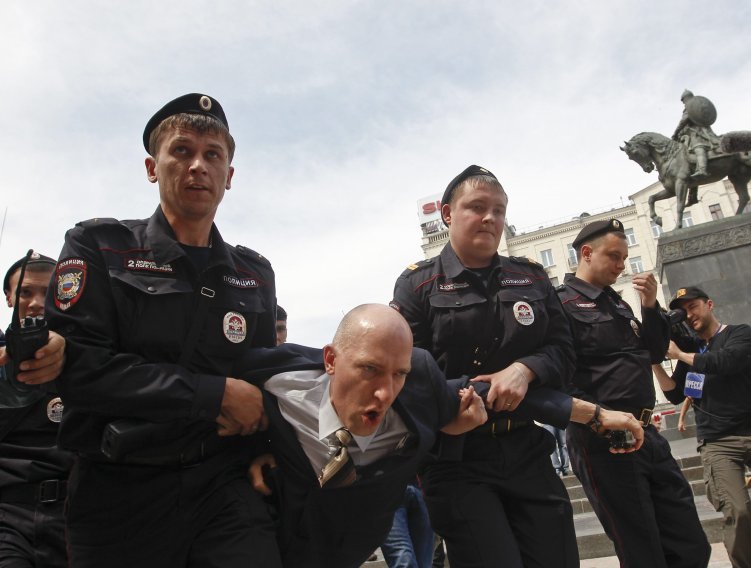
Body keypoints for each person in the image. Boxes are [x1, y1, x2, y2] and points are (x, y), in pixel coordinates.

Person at [45, 93, 280, 567]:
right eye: (182, 151)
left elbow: (260, 375)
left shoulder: (253, 273)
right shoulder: (98, 247)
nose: (198, 166)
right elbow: (82, 369)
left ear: (229, 177)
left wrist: (265, 449)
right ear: (153, 167)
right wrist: (211, 394)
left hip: (222, 487)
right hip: (119, 490)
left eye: (213, 155)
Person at [391, 165, 645, 568]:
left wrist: (525, 369)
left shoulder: (529, 276)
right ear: (446, 214)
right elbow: (411, 379)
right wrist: (493, 390)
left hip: (526, 448)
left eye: (499, 209)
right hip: (458, 457)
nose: (490, 218)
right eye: (477, 207)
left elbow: (563, 352)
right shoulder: (418, 285)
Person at [240, 304, 487, 567]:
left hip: (354, 546)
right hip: (269, 541)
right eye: (370, 369)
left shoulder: (421, 385)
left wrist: (521, 372)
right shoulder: (281, 377)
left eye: (399, 374)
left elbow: (477, 392)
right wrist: (249, 450)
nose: (386, 393)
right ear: (331, 361)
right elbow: (217, 394)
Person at [556, 219, 710, 568]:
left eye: (625, 258)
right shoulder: (559, 305)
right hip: (606, 440)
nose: (622, 265)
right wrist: (599, 421)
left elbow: (654, 353)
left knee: (691, 545)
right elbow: (559, 379)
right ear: (586, 253)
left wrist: (650, 305)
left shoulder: (617, 303)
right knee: (643, 553)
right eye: (614, 256)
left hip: (648, 433)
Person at [653, 286, 751, 568]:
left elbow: (725, 362)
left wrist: (680, 356)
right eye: (683, 311)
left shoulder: (739, 334)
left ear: (709, 304)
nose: (689, 315)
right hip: (717, 443)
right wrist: (655, 362)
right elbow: (674, 393)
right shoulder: (693, 349)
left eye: (693, 306)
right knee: (738, 512)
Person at [1, 252, 70, 568]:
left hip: (77, 517)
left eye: (48, 292)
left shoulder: (89, 359)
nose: (36, 302)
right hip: (8, 514)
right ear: (9, 298)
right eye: (26, 291)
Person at [672, 89, 719, 179]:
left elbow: (683, 121)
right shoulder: (696, 105)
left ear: (685, 99)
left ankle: (702, 169)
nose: (683, 103)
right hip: (694, 133)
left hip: (699, 133)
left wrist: (675, 133)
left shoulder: (691, 107)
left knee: (698, 148)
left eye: (683, 101)